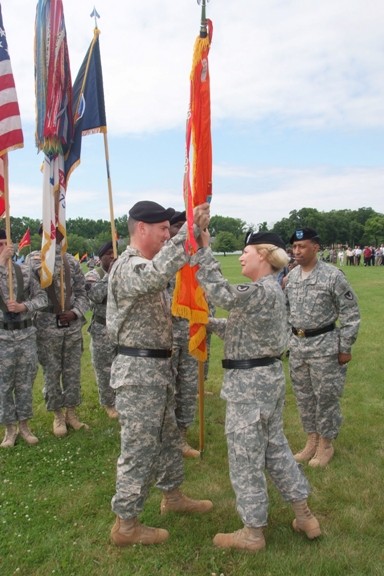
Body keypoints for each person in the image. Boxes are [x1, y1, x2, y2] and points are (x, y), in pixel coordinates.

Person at [190, 225, 320, 552]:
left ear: (262, 254)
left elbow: (223, 295)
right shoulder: (271, 290)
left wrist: (202, 251)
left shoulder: (261, 291)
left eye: (244, 252)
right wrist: (205, 322)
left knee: (245, 458)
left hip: (250, 388)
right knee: (275, 451)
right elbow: (242, 329)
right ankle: (304, 516)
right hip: (265, 380)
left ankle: (252, 532)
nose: (240, 257)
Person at [107, 200, 213, 547]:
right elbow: (155, 277)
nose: (168, 235)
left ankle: (173, 496)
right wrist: (188, 234)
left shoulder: (147, 262)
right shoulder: (129, 266)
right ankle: (126, 524)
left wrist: (193, 235)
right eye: (164, 229)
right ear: (142, 229)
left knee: (168, 438)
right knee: (139, 448)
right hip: (138, 373)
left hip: (156, 369)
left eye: (171, 229)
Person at [285, 228, 360, 467]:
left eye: (302, 246)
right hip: (298, 346)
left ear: (315, 247)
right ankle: (311, 440)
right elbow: (287, 310)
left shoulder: (332, 276)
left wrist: (345, 346)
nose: (297, 251)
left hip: (325, 347)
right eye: (294, 247)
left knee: (325, 397)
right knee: (304, 397)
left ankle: (326, 444)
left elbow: (351, 313)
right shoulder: (292, 277)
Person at [27, 229, 90, 437]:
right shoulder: (35, 259)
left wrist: (75, 312)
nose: (57, 239)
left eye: (60, 235)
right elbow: (44, 276)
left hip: (70, 326)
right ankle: (57, 415)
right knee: (52, 372)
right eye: (52, 235)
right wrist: (52, 254)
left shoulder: (72, 262)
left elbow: (82, 293)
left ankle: (71, 413)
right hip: (47, 325)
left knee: (72, 371)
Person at [0, 229, 48, 447]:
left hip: (25, 334)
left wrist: (24, 306)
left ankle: (25, 426)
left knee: (25, 382)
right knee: (3, 385)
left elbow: (42, 298)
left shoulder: (25, 271)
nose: (4, 249)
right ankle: (9, 430)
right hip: (2, 337)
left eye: (5, 244)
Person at [168, 210, 200, 458]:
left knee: (188, 387)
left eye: (183, 226)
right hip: (166, 334)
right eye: (176, 226)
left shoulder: (193, 258)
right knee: (167, 388)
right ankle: (166, 436)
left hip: (188, 331)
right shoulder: (160, 260)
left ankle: (182, 437)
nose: (180, 231)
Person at [85, 241, 118, 419]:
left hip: (120, 328)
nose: (112, 257)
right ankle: (108, 403)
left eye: (114, 253)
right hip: (102, 329)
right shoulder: (94, 275)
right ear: (100, 258)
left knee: (120, 366)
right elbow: (95, 295)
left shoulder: (121, 272)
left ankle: (120, 398)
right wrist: (109, 276)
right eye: (108, 254)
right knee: (104, 369)